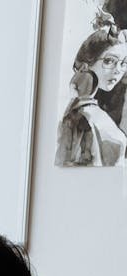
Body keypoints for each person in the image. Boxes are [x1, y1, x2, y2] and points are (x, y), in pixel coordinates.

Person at [55, 11, 127, 166]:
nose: (118, 70)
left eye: (123, 63)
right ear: (88, 63)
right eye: (109, 61)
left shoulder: (86, 110)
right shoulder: (84, 115)